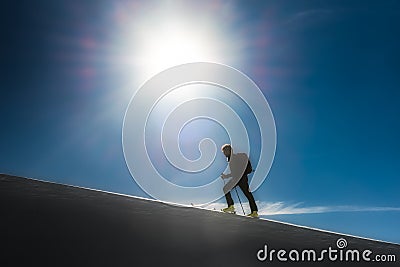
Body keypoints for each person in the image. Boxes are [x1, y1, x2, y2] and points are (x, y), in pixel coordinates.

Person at [220, 144, 258, 218]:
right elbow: (234, 172)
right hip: (239, 178)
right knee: (247, 194)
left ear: (229, 150)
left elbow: (238, 171)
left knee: (226, 189)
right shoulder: (231, 159)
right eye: (223, 152)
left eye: (225, 151)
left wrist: (228, 176)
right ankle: (254, 211)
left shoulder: (235, 158)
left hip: (240, 179)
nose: (224, 153)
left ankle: (231, 206)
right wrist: (226, 176)